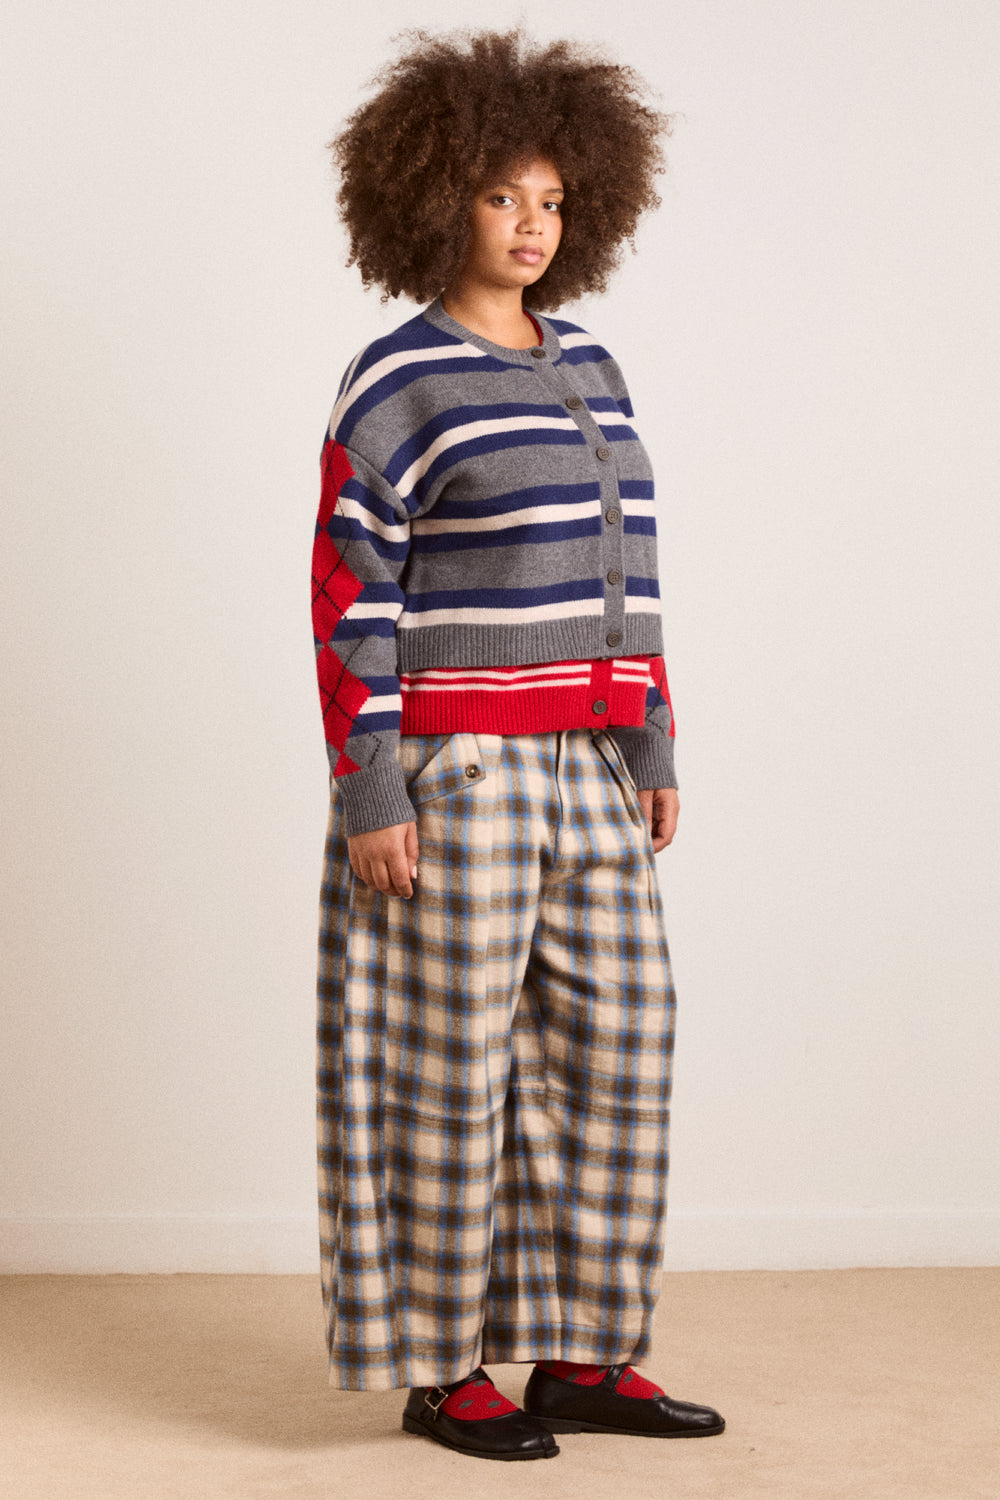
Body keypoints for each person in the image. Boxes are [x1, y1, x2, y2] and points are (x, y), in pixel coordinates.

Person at [311, 24, 724, 1462]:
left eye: (552, 199)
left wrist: (651, 739)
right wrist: (372, 786)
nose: (531, 225)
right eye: (502, 196)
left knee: (619, 1050)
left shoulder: (594, 365)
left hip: (592, 765)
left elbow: (631, 574)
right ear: (439, 199)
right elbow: (350, 596)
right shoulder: (396, 381)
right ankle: (445, 1370)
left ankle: (583, 1352)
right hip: (459, 774)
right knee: (446, 1070)